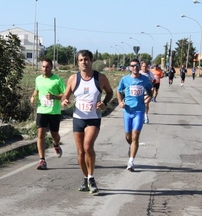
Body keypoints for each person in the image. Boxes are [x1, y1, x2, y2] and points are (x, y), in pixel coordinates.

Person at [61, 49, 113, 194]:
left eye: (86, 59)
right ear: (78, 63)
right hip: (78, 118)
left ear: (91, 60)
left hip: (93, 118)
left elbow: (109, 92)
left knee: (88, 146)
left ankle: (91, 178)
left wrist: (104, 103)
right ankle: (85, 178)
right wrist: (65, 100)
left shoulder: (100, 78)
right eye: (81, 60)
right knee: (80, 152)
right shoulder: (73, 79)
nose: (84, 62)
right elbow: (66, 94)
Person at [117, 59, 153, 172]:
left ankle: (131, 161)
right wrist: (120, 102)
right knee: (128, 137)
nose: (135, 68)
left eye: (137, 65)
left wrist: (149, 98)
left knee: (135, 135)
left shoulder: (145, 79)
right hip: (127, 111)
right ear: (130, 67)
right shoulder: (125, 79)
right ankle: (131, 146)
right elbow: (118, 90)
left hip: (139, 111)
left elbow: (150, 90)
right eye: (133, 66)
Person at [30, 58, 66, 170]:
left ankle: (56, 144)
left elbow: (64, 95)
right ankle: (42, 160)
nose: (45, 69)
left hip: (54, 112)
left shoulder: (57, 80)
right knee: (40, 134)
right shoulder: (38, 79)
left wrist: (54, 97)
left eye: (47, 67)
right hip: (42, 110)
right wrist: (33, 97)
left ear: (51, 68)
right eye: (43, 66)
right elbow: (37, 90)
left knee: (55, 135)